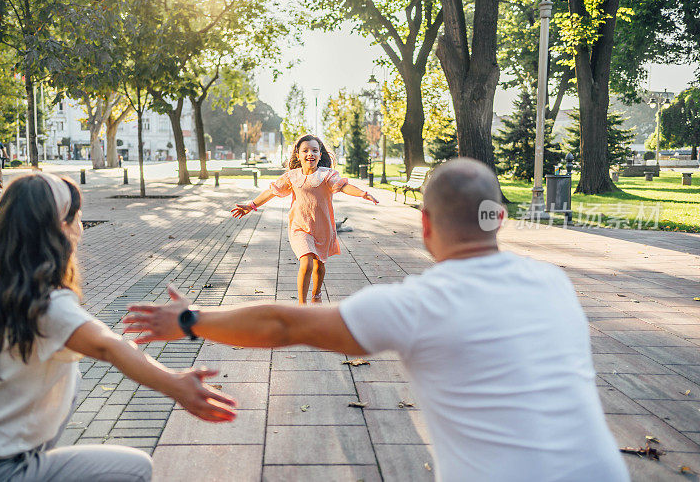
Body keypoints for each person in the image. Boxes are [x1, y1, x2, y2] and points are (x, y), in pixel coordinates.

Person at [125, 158, 630, 482]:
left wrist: (189, 320)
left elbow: (285, 325)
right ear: (498, 217)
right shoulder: (554, 282)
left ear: (426, 225)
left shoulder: (419, 304)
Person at [0, 173, 236, 482]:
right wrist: (174, 383)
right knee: (133, 469)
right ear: (60, 229)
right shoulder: (47, 305)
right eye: (77, 218)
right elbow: (109, 345)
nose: (80, 227)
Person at [231, 134, 378, 304]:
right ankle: (302, 304)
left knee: (319, 265)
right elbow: (272, 191)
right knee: (307, 262)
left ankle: (316, 293)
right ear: (298, 155)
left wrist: (363, 193)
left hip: (322, 228)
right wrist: (251, 205)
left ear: (320, 155)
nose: (310, 154)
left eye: (315, 150)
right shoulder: (292, 176)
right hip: (299, 227)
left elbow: (344, 186)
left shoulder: (327, 175)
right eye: (305, 150)